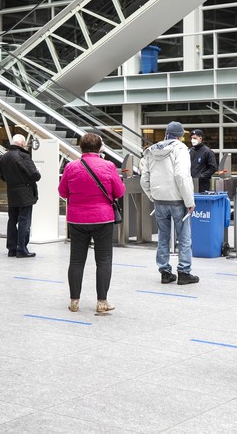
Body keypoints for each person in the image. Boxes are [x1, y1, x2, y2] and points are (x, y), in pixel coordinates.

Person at [58, 133, 126, 313]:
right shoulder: (108, 166)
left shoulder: (71, 167)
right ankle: (102, 301)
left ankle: (74, 301)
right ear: (100, 148)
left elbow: (62, 191)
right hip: (103, 218)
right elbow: (119, 191)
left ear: (81, 147)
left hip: (77, 219)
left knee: (76, 261)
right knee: (103, 260)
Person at [140, 121, 198, 285]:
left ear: (167, 134)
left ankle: (165, 272)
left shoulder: (151, 150)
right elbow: (182, 176)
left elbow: (145, 179)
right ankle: (184, 272)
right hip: (178, 200)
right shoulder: (180, 149)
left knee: (163, 237)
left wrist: (153, 196)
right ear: (180, 136)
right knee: (184, 237)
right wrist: (189, 201)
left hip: (159, 200)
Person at [0, 134, 41, 258]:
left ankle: (11, 248)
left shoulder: (4, 157)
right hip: (25, 193)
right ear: (22, 143)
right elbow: (35, 176)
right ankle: (21, 249)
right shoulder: (23, 156)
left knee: (12, 220)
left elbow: (2, 176)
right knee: (24, 220)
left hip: (11, 192)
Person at [189, 128, 217, 192]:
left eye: (195, 138)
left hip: (203, 185)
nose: (192, 140)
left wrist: (201, 176)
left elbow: (213, 168)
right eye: (191, 138)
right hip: (190, 183)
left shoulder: (207, 152)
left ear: (200, 138)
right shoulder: (190, 151)